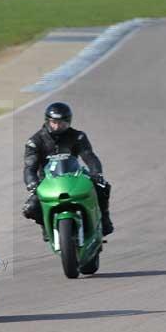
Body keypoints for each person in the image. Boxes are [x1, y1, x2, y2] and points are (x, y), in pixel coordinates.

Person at [22, 102, 113, 240]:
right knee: (30, 208)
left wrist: (96, 173)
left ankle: (105, 219)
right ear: (47, 121)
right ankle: (46, 226)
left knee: (103, 186)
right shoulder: (35, 141)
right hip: (47, 182)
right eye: (54, 122)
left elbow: (89, 156)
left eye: (62, 123)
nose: (58, 126)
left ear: (68, 122)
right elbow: (30, 167)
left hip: (74, 177)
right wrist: (32, 183)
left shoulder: (78, 136)